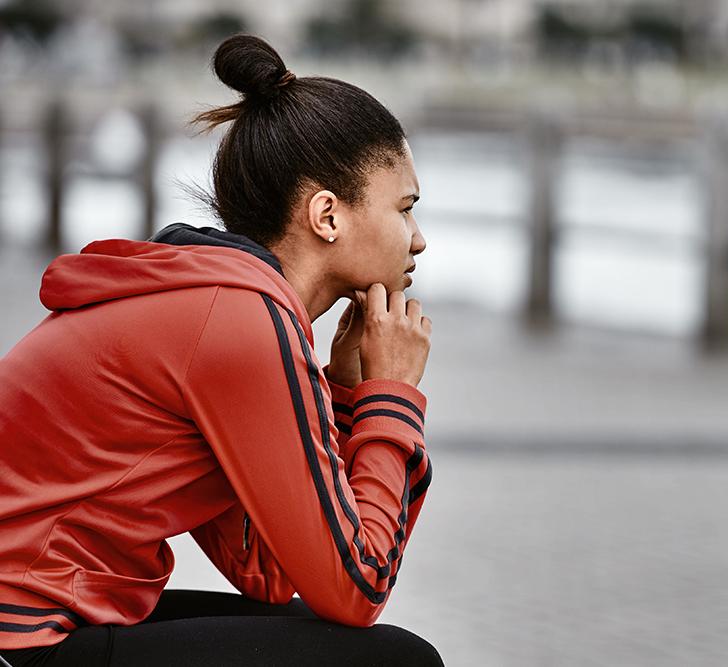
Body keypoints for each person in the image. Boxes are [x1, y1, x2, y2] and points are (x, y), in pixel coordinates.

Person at [0, 34, 443, 666]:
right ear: (327, 216)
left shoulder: (219, 297)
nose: (419, 240)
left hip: (45, 617)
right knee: (397, 662)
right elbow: (357, 586)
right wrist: (392, 396)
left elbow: (267, 572)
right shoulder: (237, 320)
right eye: (405, 209)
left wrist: (343, 388)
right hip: (27, 634)